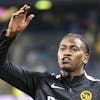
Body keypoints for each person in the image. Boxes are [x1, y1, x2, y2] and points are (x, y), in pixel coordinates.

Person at [0, 4, 100, 100]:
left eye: (74, 49)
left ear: (85, 57)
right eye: (62, 48)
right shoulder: (41, 83)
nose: (66, 53)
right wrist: (9, 35)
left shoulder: (97, 89)